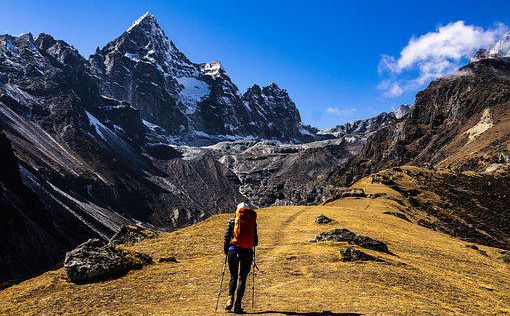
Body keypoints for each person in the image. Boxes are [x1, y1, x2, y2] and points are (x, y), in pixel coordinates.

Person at [223, 202, 258, 314]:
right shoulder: (252, 222)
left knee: (233, 275)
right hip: (247, 252)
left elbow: (226, 238)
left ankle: (230, 299)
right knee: (242, 277)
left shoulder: (232, 221)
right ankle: (238, 304)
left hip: (233, 250)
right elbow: (255, 241)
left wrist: (226, 252)